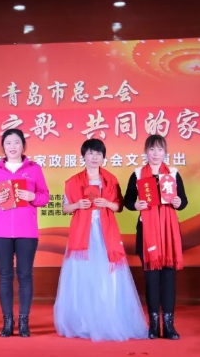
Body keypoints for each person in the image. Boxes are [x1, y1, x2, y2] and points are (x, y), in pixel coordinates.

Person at [53, 139, 148, 341]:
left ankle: (108, 318)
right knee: (83, 275)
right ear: (83, 156)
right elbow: (65, 207)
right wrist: (77, 205)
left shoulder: (110, 180)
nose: (94, 157)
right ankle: (84, 322)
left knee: (107, 275)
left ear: (103, 157)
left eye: (98, 154)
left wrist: (106, 203)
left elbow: (119, 206)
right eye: (90, 153)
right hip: (82, 235)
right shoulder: (73, 181)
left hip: (106, 234)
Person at [0, 128, 49, 337]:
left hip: (26, 231)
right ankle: (7, 322)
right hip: (0, 231)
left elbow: (45, 197)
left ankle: (24, 321)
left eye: (16, 142)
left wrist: (32, 196)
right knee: (4, 276)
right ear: (3, 147)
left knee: (25, 276)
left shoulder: (34, 169)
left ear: (23, 146)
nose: (12, 147)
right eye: (8, 143)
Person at [124, 134, 188, 340]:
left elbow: (183, 201)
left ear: (165, 152)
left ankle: (169, 325)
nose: (156, 153)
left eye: (160, 149)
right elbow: (127, 201)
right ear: (146, 152)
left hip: (169, 233)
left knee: (169, 279)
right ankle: (153, 325)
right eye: (152, 149)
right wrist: (136, 205)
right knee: (152, 280)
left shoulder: (173, 173)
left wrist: (178, 202)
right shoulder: (137, 174)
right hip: (147, 233)